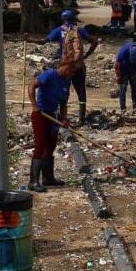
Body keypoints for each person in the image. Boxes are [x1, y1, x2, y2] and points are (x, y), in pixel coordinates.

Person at [29, 10, 99, 125]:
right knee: (81, 92)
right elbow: (95, 41)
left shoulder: (58, 30)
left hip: (65, 68)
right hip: (78, 67)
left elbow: (43, 41)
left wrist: (29, 40)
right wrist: (85, 56)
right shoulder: (79, 30)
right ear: (73, 19)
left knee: (63, 92)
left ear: (63, 19)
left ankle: (62, 117)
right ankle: (81, 119)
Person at [27, 61, 77, 192]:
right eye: (72, 71)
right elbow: (32, 86)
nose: (73, 74)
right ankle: (33, 181)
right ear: (67, 68)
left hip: (53, 116)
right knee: (40, 146)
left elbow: (63, 102)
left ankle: (48, 178)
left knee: (51, 145)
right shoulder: (49, 75)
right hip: (41, 114)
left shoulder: (66, 82)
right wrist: (34, 105)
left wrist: (64, 118)